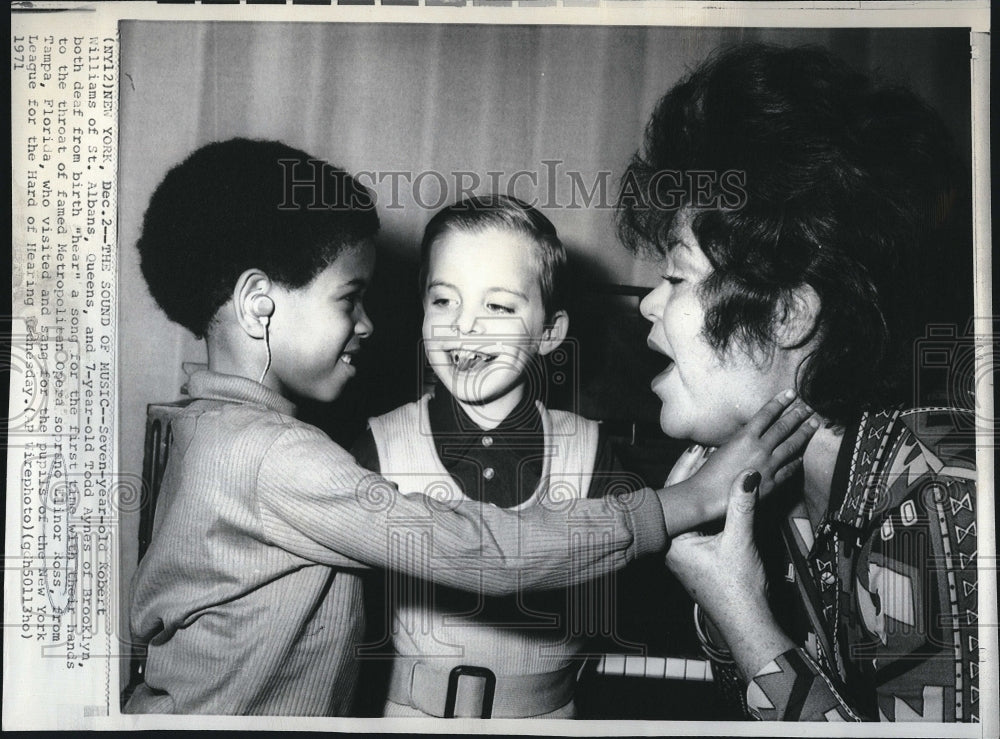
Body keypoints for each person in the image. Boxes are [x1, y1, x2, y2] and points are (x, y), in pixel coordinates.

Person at [124, 138, 816, 716]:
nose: (369, 323)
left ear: (552, 331)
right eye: (350, 298)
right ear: (256, 305)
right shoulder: (276, 454)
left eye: (499, 306)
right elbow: (478, 547)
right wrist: (684, 502)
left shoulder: (210, 430)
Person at [617, 43, 978, 721]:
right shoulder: (796, 491)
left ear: (787, 314)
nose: (648, 305)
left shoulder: (939, 501)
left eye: (675, 277)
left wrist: (740, 613)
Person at [353, 194, 634, 718]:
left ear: (549, 333)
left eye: (498, 306)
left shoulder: (592, 454)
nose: (464, 325)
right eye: (443, 301)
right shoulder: (379, 446)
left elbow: (629, 592)